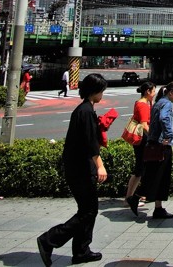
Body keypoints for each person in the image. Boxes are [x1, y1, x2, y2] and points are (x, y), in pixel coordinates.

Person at [37, 73, 109, 265]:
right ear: (95, 91)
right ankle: (49, 239)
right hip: (81, 168)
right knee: (88, 211)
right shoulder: (85, 111)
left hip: (77, 167)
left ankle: (81, 250)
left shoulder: (85, 109)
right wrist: (100, 165)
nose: (103, 94)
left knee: (88, 210)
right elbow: (90, 143)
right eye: (101, 90)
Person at [142, 81, 173, 220]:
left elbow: (161, 118)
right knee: (162, 177)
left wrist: (172, 117)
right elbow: (163, 118)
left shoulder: (158, 102)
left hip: (153, 143)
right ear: (171, 93)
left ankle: (154, 205)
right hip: (162, 145)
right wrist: (168, 135)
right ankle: (157, 208)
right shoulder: (167, 103)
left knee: (153, 175)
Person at [124, 80, 155, 215]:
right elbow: (144, 124)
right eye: (153, 91)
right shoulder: (143, 105)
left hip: (142, 140)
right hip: (142, 140)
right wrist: (154, 137)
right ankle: (129, 197)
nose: (154, 94)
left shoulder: (143, 102)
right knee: (140, 169)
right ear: (148, 91)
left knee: (140, 168)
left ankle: (132, 195)